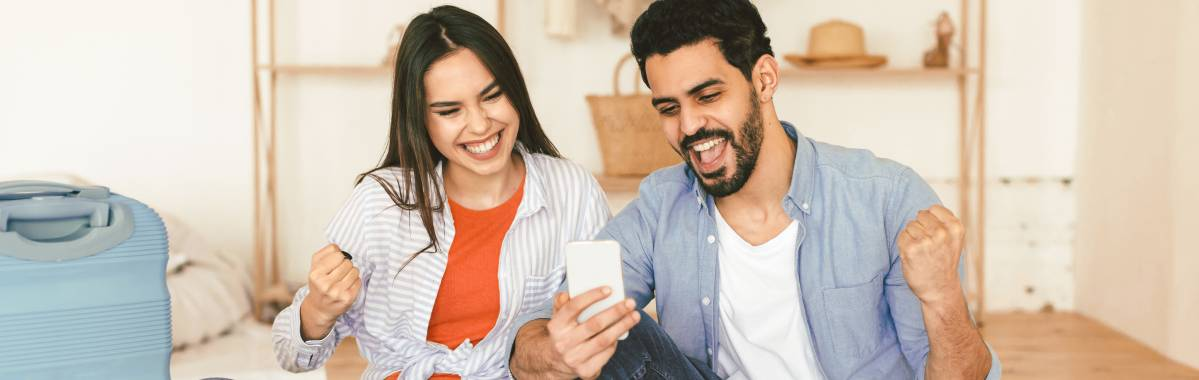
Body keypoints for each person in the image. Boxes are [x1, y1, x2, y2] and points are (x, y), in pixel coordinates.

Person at [510, 0, 1002, 378]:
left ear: (764, 79)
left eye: (708, 96)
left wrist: (943, 297)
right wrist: (550, 348)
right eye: (668, 108)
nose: (689, 126)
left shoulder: (887, 199)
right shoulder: (661, 205)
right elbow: (547, 332)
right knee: (604, 328)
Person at [271, 6, 611, 379]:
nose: (480, 125)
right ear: (420, 119)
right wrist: (318, 310)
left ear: (515, 90)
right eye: (450, 111)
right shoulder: (379, 201)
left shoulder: (573, 191)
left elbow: (602, 328)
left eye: (493, 96)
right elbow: (291, 356)